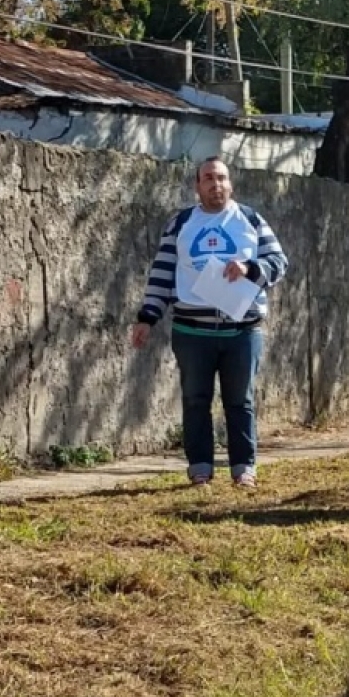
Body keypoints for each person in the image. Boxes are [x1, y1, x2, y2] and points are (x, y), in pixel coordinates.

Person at [131, 157, 288, 489]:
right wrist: (147, 317)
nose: (216, 184)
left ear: (230, 184)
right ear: (197, 186)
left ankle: (243, 469)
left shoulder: (250, 219)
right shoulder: (182, 223)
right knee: (195, 399)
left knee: (240, 400)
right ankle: (200, 468)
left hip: (242, 330)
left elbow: (278, 261)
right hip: (191, 331)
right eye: (208, 179)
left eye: (221, 178)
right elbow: (162, 272)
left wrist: (249, 268)